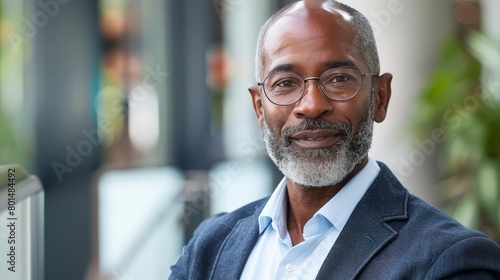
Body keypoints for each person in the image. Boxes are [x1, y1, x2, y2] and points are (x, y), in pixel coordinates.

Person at [169, 0, 500, 279]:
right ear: (259, 107)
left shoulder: (451, 261)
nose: (312, 105)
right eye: (285, 83)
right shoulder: (210, 247)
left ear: (380, 97)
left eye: (339, 78)